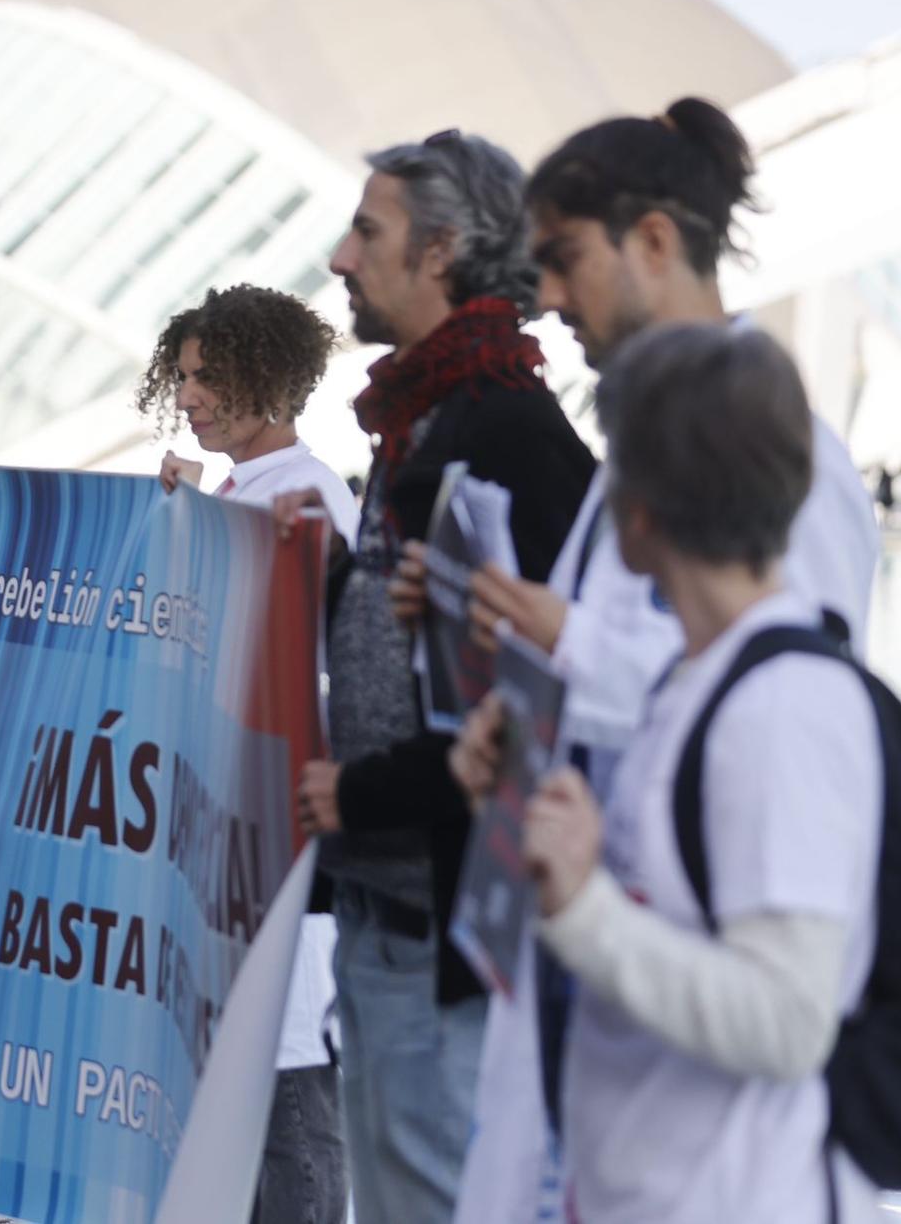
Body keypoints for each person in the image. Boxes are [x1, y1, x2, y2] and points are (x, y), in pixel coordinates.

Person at [445, 97, 882, 1224]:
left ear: (651, 240)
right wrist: (530, 726)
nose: (543, 298)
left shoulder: (771, 454)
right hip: (616, 1101)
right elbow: (670, 695)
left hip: (719, 1148)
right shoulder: (651, 438)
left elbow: (772, 689)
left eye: (561, 259)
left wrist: (566, 642)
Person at [274, 131, 594, 1224]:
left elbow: (544, 695)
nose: (339, 257)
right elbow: (422, 646)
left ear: (443, 249)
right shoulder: (427, 418)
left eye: (367, 231)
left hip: (447, 928)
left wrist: (362, 794)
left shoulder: (501, 426)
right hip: (393, 904)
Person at [514, 325, 882, 1221]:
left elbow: (789, 1022)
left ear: (639, 512)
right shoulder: (702, 676)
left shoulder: (781, 706)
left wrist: (584, 911)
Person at [136, 283, 354, 1224]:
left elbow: (278, 654)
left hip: (279, 838)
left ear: (271, 377)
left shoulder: (306, 497)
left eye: (208, 378)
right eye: (182, 379)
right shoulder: (245, 494)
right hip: (229, 835)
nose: (189, 399)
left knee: (292, 1082)